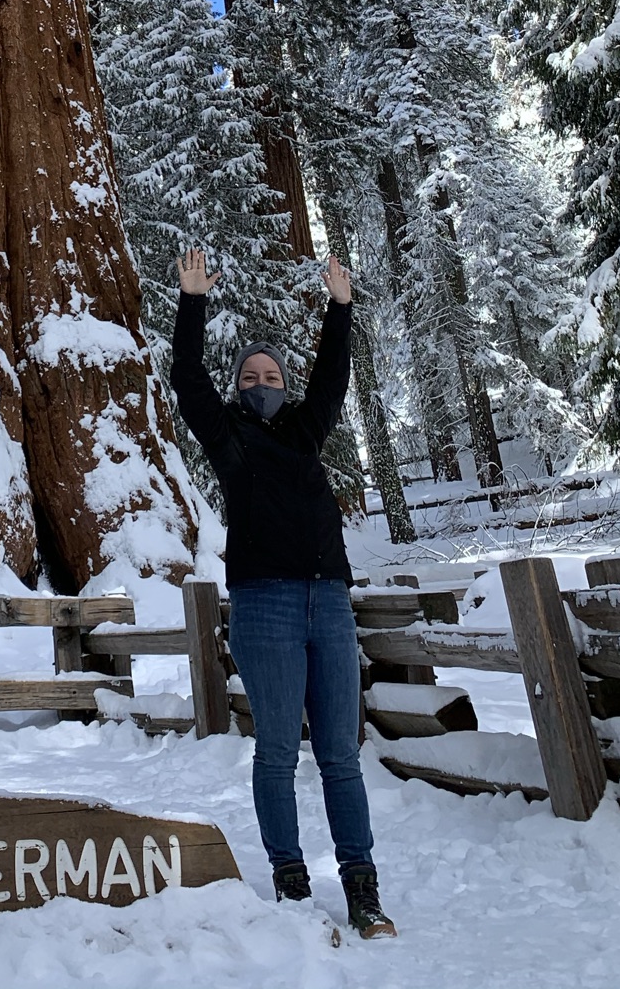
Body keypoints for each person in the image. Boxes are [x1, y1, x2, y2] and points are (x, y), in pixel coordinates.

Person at [170, 244, 397, 941]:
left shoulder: (303, 431)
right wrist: (193, 301)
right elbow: (186, 379)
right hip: (264, 605)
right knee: (275, 751)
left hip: (327, 602)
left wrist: (340, 308)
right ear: (239, 388)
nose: (262, 381)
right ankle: (291, 880)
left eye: (271, 374)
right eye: (251, 375)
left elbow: (332, 381)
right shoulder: (229, 436)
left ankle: (362, 888)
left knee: (338, 754)